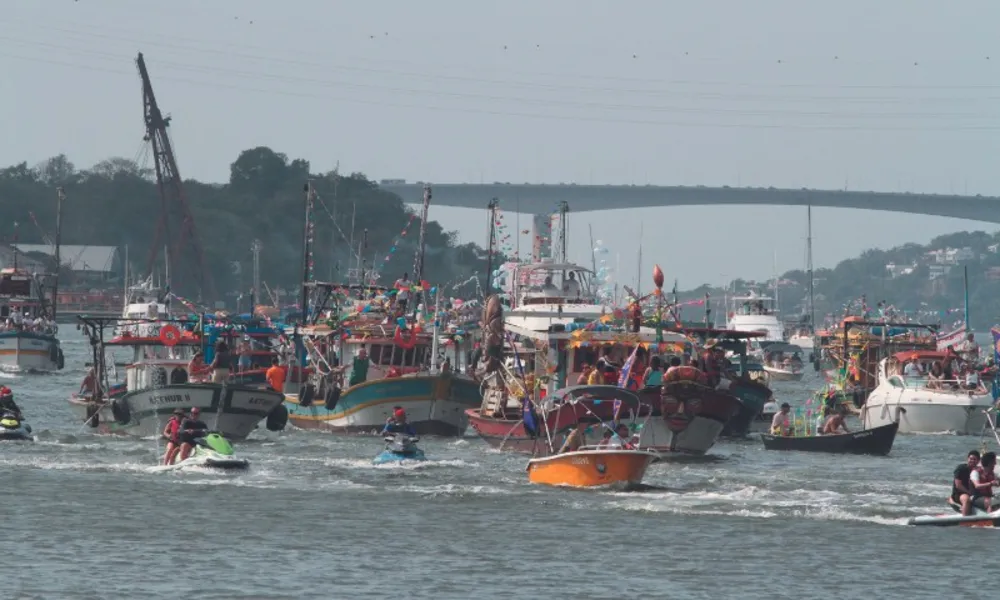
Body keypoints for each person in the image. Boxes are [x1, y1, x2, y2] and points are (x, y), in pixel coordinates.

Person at [952, 450, 980, 515]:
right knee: (966, 499)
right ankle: (965, 520)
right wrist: (969, 493)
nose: (972, 461)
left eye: (975, 459)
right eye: (971, 459)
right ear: (967, 459)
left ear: (978, 461)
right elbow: (958, 485)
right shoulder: (961, 468)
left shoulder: (978, 470)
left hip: (973, 493)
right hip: (959, 493)